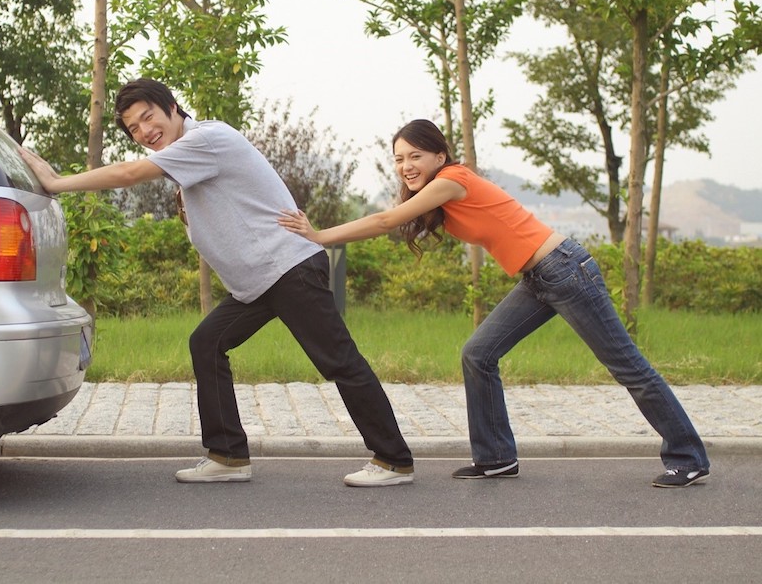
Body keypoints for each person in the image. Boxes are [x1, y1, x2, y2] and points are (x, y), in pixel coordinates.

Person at [18, 78, 413, 487]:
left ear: (173, 106)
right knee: (207, 342)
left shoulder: (207, 137)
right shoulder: (186, 162)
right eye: (134, 129)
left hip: (287, 268)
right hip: (258, 283)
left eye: (148, 117)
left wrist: (56, 183)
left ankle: (393, 460)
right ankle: (227, 455)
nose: (145, 132)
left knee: (339, 361)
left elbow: (128, 173)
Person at [279, 118, 710, 488]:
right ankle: (496, 457)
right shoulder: (439, 191)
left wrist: (319, 236)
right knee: (478, 353)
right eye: (399, 158)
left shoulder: (453, 180)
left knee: (628, 367)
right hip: (539, 277)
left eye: (415, 156)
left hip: (565, 270)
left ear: (439, 156)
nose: (406, 166)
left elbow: (386, 220)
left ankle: (688, 458)